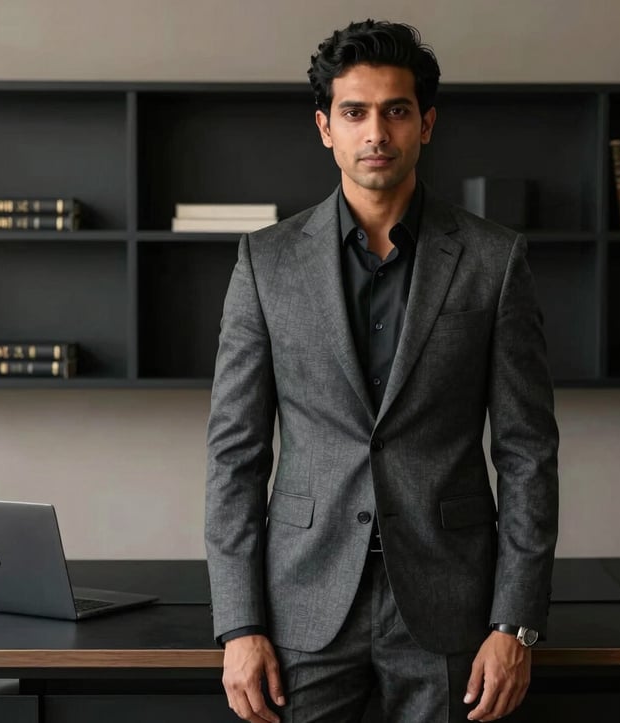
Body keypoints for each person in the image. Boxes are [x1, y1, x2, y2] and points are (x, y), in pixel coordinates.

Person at [205, 19, 559, 723]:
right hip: (302, 601)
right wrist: (239, 624)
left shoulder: (494, 260)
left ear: (425, 124)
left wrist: (515, 623)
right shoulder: (265, 263)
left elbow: (527, 451)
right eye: (354, 112)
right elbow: (234, 454)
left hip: (450, 601)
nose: (376, 132)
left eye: (396, 111)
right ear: (325, 128)